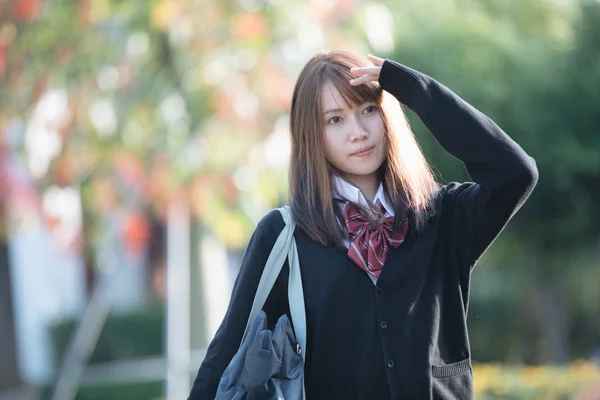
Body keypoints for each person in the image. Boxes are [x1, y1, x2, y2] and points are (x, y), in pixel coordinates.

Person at [188, 50, 538, 399]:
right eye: (335, 120)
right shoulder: (284, 236)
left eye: (368, 110)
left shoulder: (444, 217)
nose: (357, 133)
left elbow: (515, 172)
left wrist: (409, 87)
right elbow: (226, 351)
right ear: (313, 134)